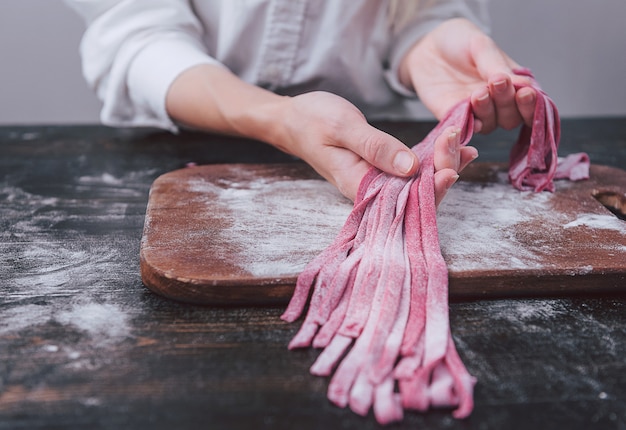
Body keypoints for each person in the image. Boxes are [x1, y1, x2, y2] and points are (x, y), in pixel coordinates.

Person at [65, 0, 537, 204]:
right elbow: (136, 36)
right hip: (179, 151)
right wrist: (278, 118)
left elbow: (416, 12)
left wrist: (430, 40)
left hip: (370, 142)